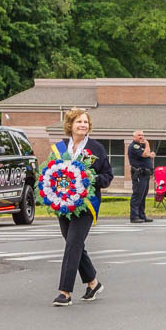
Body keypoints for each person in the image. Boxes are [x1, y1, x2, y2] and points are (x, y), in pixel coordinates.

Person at [51, 109, 114, 306]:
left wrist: (92, 179)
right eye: (79, 121)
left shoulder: (96, 148)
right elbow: (50, 172)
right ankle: (92, 283)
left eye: (86, 122)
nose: (83, 125)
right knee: (74, 245)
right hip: (63, 204)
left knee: (72, 245)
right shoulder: (60, 148)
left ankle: (65, 292)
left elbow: (107, 176)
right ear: (70, 124)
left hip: (86, 205)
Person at [128, 130, 155, 224]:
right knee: (137, 195)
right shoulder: (134, 146)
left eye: (142, 135)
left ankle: (141, 215)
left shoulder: (141, 146)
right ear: (134, 137)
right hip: (139, 174)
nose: (141, 137)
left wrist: (149, 153)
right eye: (139, 135)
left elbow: (149, 155)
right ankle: (134, 216)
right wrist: (147, 144)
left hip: (145, 174)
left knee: (143, 196)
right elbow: (144, 154)